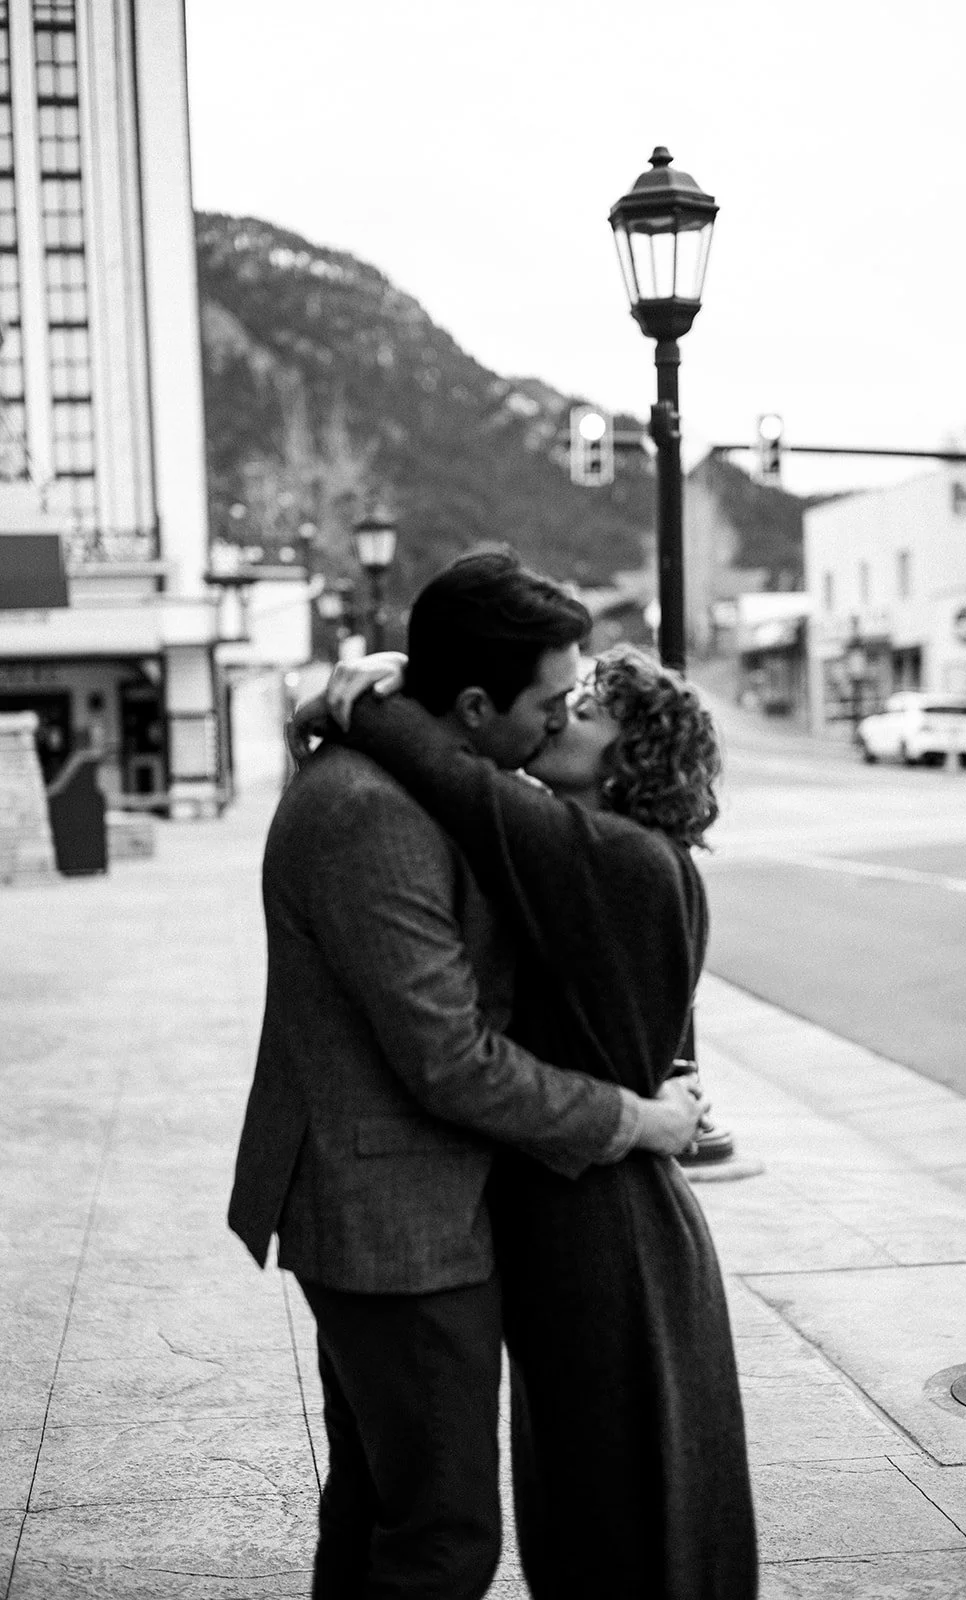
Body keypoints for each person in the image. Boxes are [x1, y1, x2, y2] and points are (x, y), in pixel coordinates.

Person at [227, 551, 706, 1600]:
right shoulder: (374, 810)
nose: (559, 718)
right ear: (480, 705)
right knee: (443, 1538)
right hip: (395, 1220)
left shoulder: (419, 782)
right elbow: (451, 1058)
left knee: (381, 1505)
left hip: (396, 1206)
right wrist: (633, 1118)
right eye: (550, 701)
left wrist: (376, 688)